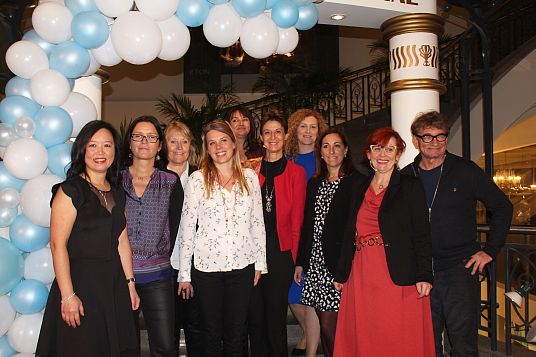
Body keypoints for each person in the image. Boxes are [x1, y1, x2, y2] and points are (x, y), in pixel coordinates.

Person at [401, 111, 513, 357]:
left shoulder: (466, 170)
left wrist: (490, 251)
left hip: (460, 269)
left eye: (441, 137)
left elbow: (503, 207)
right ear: (416, 139)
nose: (435, 143)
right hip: (420, 271)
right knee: (427, 344)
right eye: (428, 137)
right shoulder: (406, 176)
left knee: (463, 345)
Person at [36, 120, 139, 357]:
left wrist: (130, 284)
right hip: (81, 284)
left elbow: (122, 242)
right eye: (93, 145)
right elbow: (57, 245)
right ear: (82, 150)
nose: (100, 152)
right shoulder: (70, 190)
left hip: (113, 285)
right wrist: (68, 295)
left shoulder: (118, 192)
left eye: (107, 145)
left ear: (116, 150)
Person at [333, 127, 435, 356]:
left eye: (390, 149)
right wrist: (341, 273)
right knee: (365, 333)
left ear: (398, 155)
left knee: (395, 335)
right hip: (360, 272)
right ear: (368, 154)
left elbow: (422, 234)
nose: (383, 154)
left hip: (396, 272)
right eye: (377, 148)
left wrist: (424, 275)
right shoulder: (357, 186)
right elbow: (348, 232)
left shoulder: (411, 186)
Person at [171, 119, 266, 357]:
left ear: (233, 143)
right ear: (206, 148)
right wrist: (184, 274)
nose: (218, 146)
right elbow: (187, 228)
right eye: (212, 142)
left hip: (243, 266)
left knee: (236, 334)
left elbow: (257, 223)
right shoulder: (196, 180)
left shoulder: (250, 177)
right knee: (210, 333)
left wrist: (260, 263)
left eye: (223, 140)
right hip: (206, 270)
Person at [294, 127, 365, 357]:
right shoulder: (315, 182)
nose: (331, 151)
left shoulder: (357, 182)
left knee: (329, 325)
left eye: (336, 146)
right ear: (320, 153)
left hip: (340, 265)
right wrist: (300, 263)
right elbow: (307, 226)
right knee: (324, 325)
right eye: (326, 146)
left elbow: (357, 227)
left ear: (346, 150)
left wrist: (346, 266)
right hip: (315, 264)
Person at [121, 115, 183, 357]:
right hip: (118, 275)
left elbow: (177, 226)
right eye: (138, 136)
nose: (144, 141)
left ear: (159, 145)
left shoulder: (170, 181)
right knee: (125, 345)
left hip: (157, 275)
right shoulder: (114, 179)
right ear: (129, 143)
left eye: (151, 137)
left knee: (165, 346)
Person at [247, 110, 307, 357]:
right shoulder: (248, 171)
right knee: (255, 317)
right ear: (261, 137)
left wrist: (296, 260)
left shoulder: (296, 172)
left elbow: (298, 221)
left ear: (286, 135)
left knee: (275, 317)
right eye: (268, 132)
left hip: (281, 253)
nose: (273, 137)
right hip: (251, 253)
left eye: (278, 132)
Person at [285, 109, 328, 356]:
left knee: (309, 291)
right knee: (291, 293)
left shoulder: (324, 158)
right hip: (290, 232)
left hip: (315, 235)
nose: (308, 131)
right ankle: (308, 334)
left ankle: (309, 347)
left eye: (313, 127)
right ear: (294, 130)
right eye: (303, 126)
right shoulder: (287, 159)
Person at [163, 121, 202, 357]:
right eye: (173, 141)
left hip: (197, 264)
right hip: (163, 264)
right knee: (167, 327)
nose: (179, 147)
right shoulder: (154, 177)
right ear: (164, 145)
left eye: (184, 141)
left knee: (196, 325)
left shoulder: (202, 176)